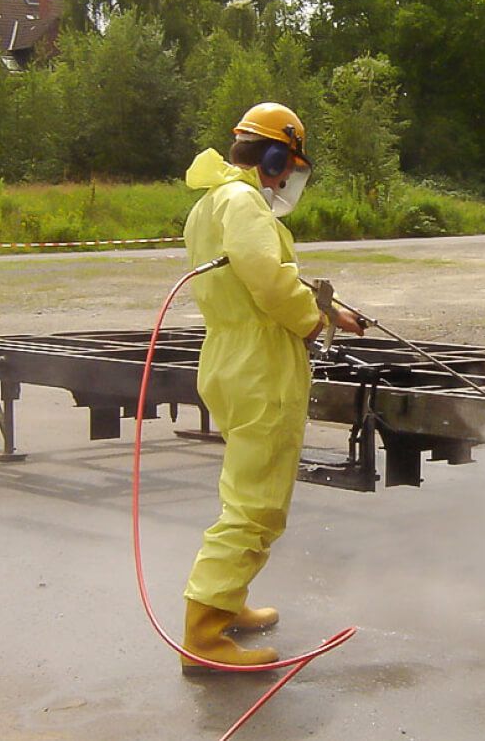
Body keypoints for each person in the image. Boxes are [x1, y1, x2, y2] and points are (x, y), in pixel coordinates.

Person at [179, 102, 363, 672]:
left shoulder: (213, 203)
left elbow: (251, 277)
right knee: (256, 506)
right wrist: (311, 321)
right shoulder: (247, 206)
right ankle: (205, 633)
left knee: (244, 491)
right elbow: (269, 280)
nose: (287, 180)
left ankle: (226, 601)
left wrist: (332, 313)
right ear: (276, 156)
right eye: (287, 167)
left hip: (231, 356)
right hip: (262, 366)